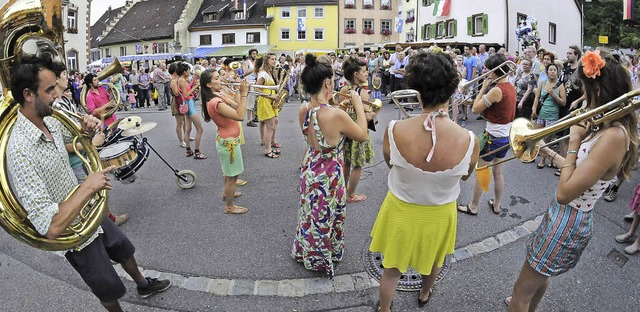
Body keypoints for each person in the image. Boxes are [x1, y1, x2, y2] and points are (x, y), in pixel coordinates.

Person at [7, 55, 171, 312]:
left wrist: (87, 128)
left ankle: (142, 284)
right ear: (28, 94)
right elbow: (50, 227)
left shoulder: (49, 118)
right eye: (49, 90)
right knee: (106, 285)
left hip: (89, 210)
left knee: (122, 247)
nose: (56, 95)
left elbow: (78, 141)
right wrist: (88, 186)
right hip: (73, 232)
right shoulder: (19, 150)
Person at [507, 49, 638, 311]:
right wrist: (548, 150)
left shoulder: (614, 135)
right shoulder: (606, 126)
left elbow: (565, 192)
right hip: (565, 214)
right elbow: (579, 171)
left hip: (569, 215)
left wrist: (575, 140)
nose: (583, 97)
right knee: (538, 276)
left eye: (586, 90)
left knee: (520, 292)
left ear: (599, 92)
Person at [370, 51, 479, 312]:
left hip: (401, 208)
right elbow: (465, 175)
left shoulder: (394, 129)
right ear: (452, 91)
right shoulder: (470, 139)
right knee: (435, 259)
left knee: (391, 268)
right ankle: (425, 292)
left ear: (416, 91)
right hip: (441, 212)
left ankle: (384, 308)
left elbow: (390, 164)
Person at [292, 53, 369, 278]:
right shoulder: (336, 114)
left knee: (310, 214)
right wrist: (357, 105)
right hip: (329, 173)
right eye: (332, 81)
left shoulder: (304, 109)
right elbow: (362, 134)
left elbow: (314, 132)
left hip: (310, 167)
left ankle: (306, 251)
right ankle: (325, 255)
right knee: (328, 215)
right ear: (327, 83)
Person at [457, 54, 516, 215]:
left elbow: (475, 109)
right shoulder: (510, 86)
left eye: (490, 70)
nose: (487, 73)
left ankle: (474, 206)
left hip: (493, 137)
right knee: (498, 172)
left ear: (496, 71)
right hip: (505, 137)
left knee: (482, 170)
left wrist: (483, 87)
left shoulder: (497, 90)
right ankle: (496, 205)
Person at [200, 69, 250, 214]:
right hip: (229, 144)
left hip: (228, 141)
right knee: (232, 177)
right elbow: (240, 116)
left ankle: (227, 193)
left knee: (229, 174)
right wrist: (245, 93)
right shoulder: (216, 102)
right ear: (209, 84)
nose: (221, 79)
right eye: (217, 78)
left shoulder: (219, 95)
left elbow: (237, 106)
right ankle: (229, 206)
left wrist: (238, 91)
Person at [339, 56, 378, 203]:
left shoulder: (343, 88)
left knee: (346, 162)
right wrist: (376, 110)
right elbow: (367, 117)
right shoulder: (362, 92)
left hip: (346, 130)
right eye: (364, 71)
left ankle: (342, 190)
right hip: (359, 131)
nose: (367, 73)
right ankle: (351, 195)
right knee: (357, 165)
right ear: (356, 74)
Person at [531, 62, 566, 169]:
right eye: (550, 70)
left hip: (552, 116)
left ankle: (543, 159)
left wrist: (554, 95)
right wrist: (534, 109)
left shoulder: (560, 85)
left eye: (554, 70)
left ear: (557, 72)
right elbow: (537, 98)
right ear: (547, 72)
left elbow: (563, 102)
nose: (552, 72)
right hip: (541, 113)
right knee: (536, 136)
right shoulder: (542, 83)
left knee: (547, 139)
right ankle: (532, 155)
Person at [177, 62, 207, 159]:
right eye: (188, 70)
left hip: (188, 104)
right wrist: (194, 87)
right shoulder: (182, 80)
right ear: (185, 71)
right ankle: (197, 152)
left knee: (188, 129)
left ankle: (188, 150)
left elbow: (186, 89)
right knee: (200, 129)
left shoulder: (182, 79)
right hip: (189, 104)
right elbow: (186, 95)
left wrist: (194, 81)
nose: (190, 72)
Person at [256, 53, 282, 158]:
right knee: (270, 127)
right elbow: (256, 88)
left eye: (275, 59)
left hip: (270, 100)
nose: (274, 61)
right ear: (267, 61)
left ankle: (270, 145)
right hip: (266, 100)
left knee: (274, 122)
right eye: (272, 59)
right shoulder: (263, 74)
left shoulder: (268, 72)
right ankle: (268, 150)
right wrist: (271, 96)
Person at [168, 63, 186, 147]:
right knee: (179, 123)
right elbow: (176, 93)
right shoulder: (173, 80)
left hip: (182, 101)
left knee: (185, 120)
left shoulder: (178, 79)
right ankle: (181, 141)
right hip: (177, 102)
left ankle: (186, 136)